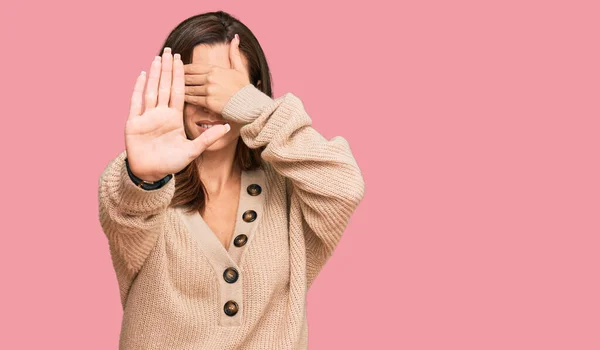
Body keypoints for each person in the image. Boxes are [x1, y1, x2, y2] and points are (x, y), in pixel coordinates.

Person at [98, 10, 365, 349]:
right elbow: (126, 212)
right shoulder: (143, 186)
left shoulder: (290, 189)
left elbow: (345, 185)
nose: (211, 105)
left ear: (252, 94)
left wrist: (249, 106)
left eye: (223, 89)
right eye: (196, 85)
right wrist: (146, 178)